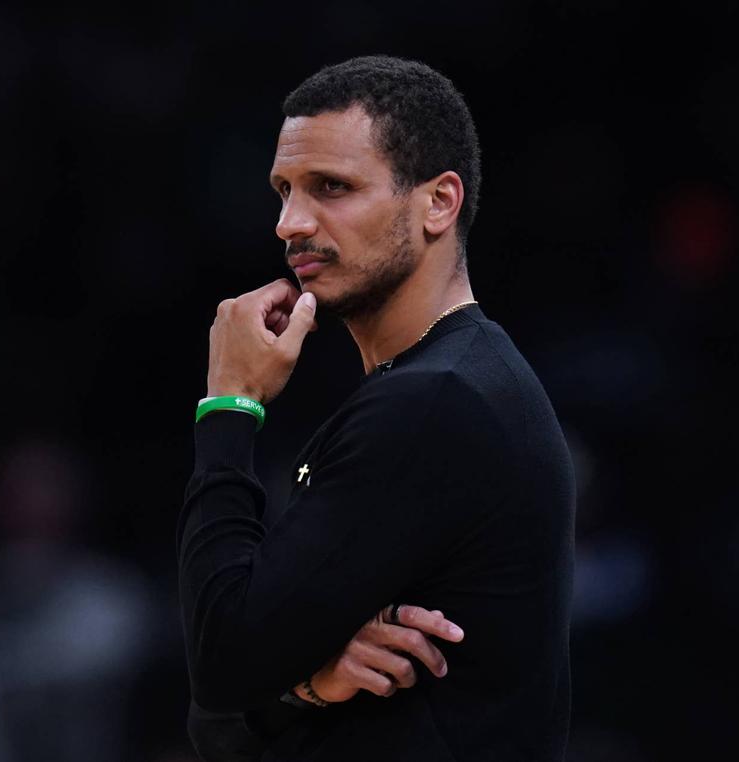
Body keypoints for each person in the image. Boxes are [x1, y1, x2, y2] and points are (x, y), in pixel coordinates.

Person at [178, 55, 576, 761]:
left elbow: (220, 665)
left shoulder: (433, 403)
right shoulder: (455, 380)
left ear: (438, 203)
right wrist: (305, 684)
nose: (290, 223)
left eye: (331, 187)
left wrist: (228, 405)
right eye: (284, 190)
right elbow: (222, 706)